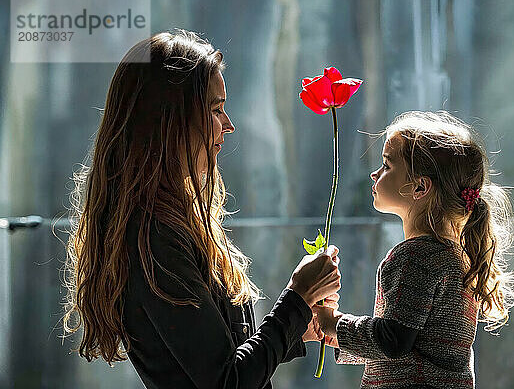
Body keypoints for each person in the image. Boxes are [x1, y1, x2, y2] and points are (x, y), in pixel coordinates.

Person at [61, 29, 341, 389]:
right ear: (170, 119)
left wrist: (298, 326)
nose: (229, 125)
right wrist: (297, 296)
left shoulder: (172, 219)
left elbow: (218, 357)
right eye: (216, 109)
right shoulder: (154, 236)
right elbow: (226, 381)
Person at [313, 111, 514, 389]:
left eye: (387, 166)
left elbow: (393, 341)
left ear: (419, 187)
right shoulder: (455, 255)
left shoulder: (414, 257)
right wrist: (331, 333)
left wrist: (333, 323)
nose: (374, 174)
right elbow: (413, 348)